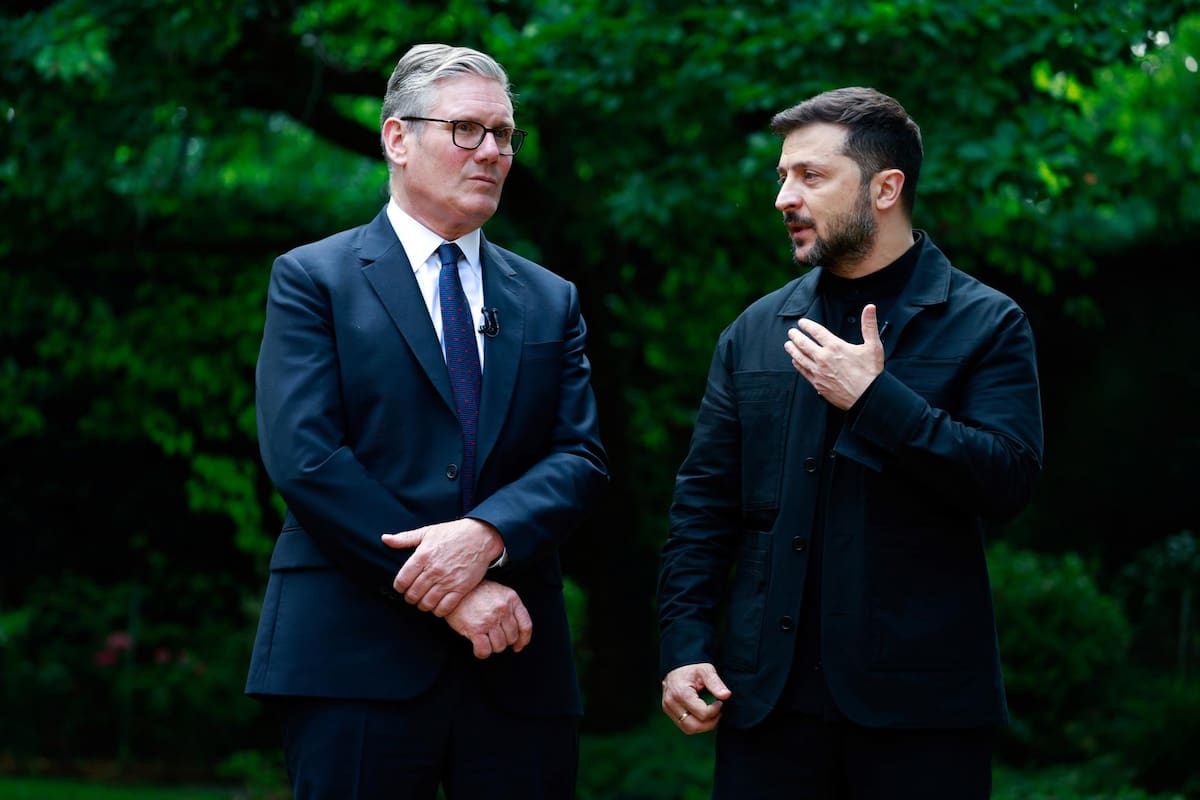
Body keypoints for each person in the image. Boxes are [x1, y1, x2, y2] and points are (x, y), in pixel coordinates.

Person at [656, 87, 1044, 799]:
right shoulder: (752, 332)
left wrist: (876, 399)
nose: (784, 197)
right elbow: (702, 508)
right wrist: (683, 648)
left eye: (811, 175)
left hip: (921, 720)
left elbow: (1007, 481)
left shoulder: (987, 322)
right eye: (783, 176)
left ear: (885, 188)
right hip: (765, 712)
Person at [245, 43, 608, 799]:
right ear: (397, 138)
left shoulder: (551, 299)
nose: (492, 152)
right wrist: (450, 587)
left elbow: (578, 457)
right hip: (352, 656)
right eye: (466, 129)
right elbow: (307, 456)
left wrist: (487, 535)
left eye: (504, 134)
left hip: (515, 660)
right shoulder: (313, 279)